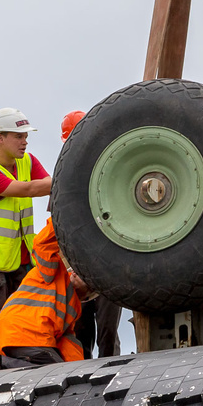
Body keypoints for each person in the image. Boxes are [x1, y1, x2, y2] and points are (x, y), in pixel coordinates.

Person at [0, 107, 52, 371]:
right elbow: (29, 189)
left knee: (19, 321)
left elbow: (46, 182)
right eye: (18, 136)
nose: (24, 141)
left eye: (25, 136)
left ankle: (15, 372)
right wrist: (69, 176)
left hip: (20, 259)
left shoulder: (27, 161)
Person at [60, 110, 123, 358]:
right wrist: (71, 271)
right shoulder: (65, 180)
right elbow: (59, 229)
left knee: (107, 331)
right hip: (80, 268)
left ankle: (111, 375)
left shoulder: (112, 173)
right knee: (81, 331)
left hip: (109, 268)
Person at [0, 217, 86, 367]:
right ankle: (4, 364)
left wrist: (78, 372)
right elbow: (42, 244)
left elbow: (68, 345)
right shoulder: (52, 271)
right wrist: (64, 215)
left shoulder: (73, 309)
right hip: (25, 335)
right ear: (72, 272)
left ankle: (5, 363)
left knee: (54, 373)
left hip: (14, 337)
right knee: (54, 373)